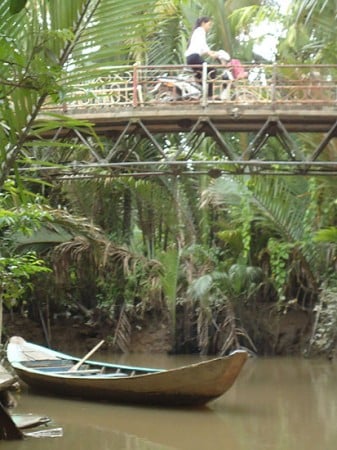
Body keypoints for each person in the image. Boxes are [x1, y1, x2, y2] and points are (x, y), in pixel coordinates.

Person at [185, 17, 218, 97]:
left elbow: (201, 49)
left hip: (191, 58)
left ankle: (204, 91)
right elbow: (203, 45)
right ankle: (210, 95)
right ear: (203, 23)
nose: (209, 28)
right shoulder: (200, 30)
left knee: (201, 77)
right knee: (212, 70)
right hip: (194, 57)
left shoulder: (197, 32)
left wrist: (211, 52)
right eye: (209, 25)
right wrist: (210, 53)